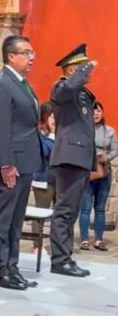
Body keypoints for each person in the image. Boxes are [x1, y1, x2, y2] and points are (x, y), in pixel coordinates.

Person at [0, 35, 43, 290]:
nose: (32, 58)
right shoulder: (1, 84)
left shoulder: (21, 83)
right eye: (27, 53)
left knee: (16, 220)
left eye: (32, 53)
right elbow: (0, 128)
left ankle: (12, 267)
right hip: (11, 163)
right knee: (3, 218)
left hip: (26, 161)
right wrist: (5, 163)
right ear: (11, 56)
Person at [49, 43, 97, 277]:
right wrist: (79, 74)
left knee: (72, 210)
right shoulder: (62, 88)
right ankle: (59, 259)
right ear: (71, 70)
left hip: (81, 157)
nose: (87, 73)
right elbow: (65, 91)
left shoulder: (81, 93)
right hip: (69, 156)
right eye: (81, 68)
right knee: (65, 210)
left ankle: (65, 257)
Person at [79, 101, 115, 251]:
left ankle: (99, 239)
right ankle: (84, 239)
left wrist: (107, 157)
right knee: (85, 208)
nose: (96, 114)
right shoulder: (82, 130)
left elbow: (115, 149)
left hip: (103, 172)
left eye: (99, 111)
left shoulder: (109, 131)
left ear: (102, 112)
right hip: (87, 172)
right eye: (93, 111)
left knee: (100, 208)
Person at [31, 102, 56, 240]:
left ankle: (56, 243)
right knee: (40, 212)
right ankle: (36, 244)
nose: (54, 120)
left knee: (59, 215)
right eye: (51, 116)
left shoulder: (61, 134)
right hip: (43, 180)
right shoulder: (38, 134)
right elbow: (45, 151)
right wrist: (52, 136)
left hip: (60, 180)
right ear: (44, 117)